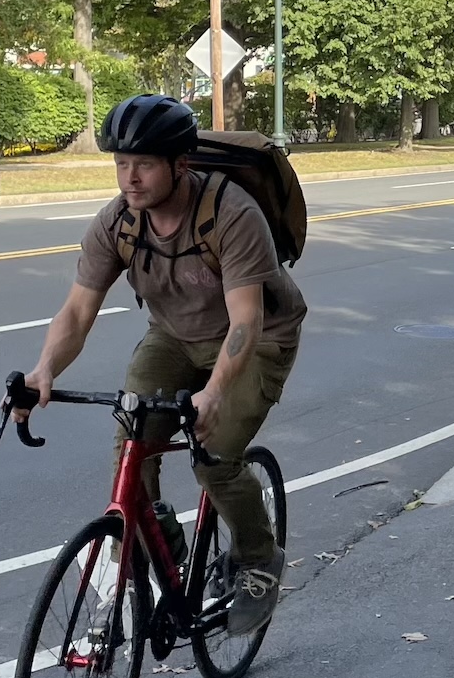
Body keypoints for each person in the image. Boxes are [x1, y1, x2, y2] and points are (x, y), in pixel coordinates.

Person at [25, 95, 305, 637]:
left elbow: (244, 320)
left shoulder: (232, 215)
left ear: (181, 165)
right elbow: (78, 311)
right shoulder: (118, 223)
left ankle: (259, 559)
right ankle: (166, 549)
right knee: (130, 447)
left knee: (215, 458)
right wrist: (43, 372)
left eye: (145, 164)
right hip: (173, 337)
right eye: (121, 164)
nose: (130, 178)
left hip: (257, 340)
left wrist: (215, 393)